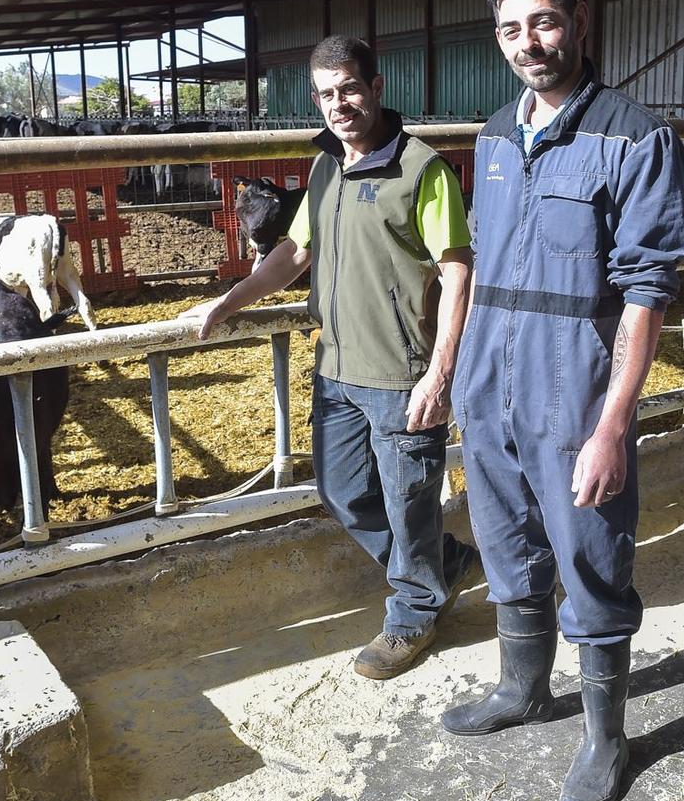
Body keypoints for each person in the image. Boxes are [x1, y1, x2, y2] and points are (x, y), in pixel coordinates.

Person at [441, 0, 684, 801]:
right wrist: (454, 378)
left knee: (591, 560)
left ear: (579, 21)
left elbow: (649, 290)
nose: (529, 43)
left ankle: (606, 734)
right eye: (511, 30)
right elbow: (477, 265)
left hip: (574, 392)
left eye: (544, 22)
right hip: (489, 385)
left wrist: (615, 422)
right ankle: (523, 688)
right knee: (506, 543)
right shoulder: (493, 136)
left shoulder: (634, 136)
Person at [184, 35, 478, 679]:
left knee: (410, 499)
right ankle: (442, 564)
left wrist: (441, 370)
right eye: (325, 94)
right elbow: (293, 255)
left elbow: (458, 271)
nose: (338, 104)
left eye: (348, 88)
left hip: (402, 371)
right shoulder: (324, 168)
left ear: (376, 87)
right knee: (343, 492)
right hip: (337, 368)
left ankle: (414, 611)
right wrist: (227, 302)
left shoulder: (422, 170)